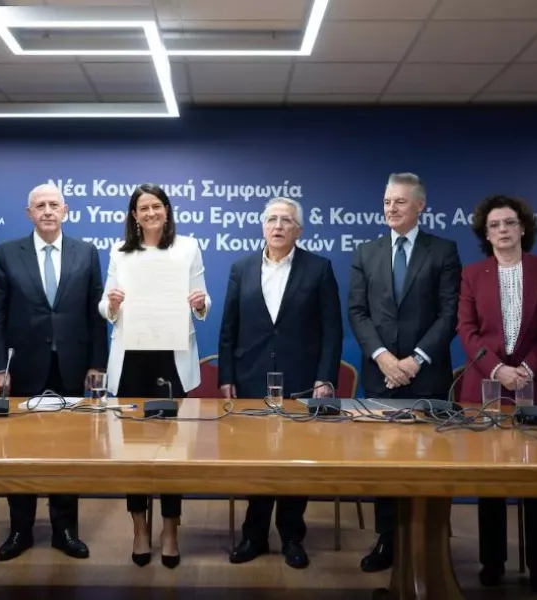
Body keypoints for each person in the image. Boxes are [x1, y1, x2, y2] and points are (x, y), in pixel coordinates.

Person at [219, 196, 342, 570]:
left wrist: (325, 377)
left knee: (294, 461)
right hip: (251, 377)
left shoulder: (318, 268)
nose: (278, 226)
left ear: (298, 230)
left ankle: (292, 537)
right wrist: (226, 376)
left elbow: (332, 330)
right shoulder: (241, 268)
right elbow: (229, 328)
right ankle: (253, 535)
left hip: (302, 379)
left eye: (286, 220)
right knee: (256, 460)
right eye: (271, 219)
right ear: (262, 226)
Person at [0, 183, 108, 562]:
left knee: (67, 452)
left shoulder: (86, 252)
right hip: (22, 368)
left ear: (66, 210)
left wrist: (97, 364)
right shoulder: (7, 253)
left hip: (71, 366)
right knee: (20, 452)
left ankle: (65, 530)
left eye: (54, 204)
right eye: (40, 205)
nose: (48, 211)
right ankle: (20, 530)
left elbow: (95, 313)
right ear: (29, 213)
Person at [347, 172, 461, 573]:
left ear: (420, 205)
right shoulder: (367, 252)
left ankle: (430, 540)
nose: (391, 208)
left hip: (426, 375)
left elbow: (450, 313)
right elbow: (357, 312)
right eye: (386, 201)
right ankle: (387, 539)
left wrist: (415, 359)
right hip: (380, 375)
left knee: (428, 463)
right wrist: (382, 357)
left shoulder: (443, 251)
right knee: (385, 464)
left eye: (399, 201)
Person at [458, 195, 537, 597]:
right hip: (487, 387)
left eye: (509, 223)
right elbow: (467, 330)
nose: (502, 230)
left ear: (523, 227)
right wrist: (497, 370)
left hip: (536, 384)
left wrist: (528, 368)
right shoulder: (473, 274)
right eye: (494, 225)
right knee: (491, 480)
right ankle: (492, 562)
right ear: (486, 235)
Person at [99, 183, 209, 569]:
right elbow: (106, 304)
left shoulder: (188, 247)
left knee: (173, 450)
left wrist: (200, 303)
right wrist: (112, 304)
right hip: (131, 358)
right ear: (134, 215)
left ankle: (171, 529)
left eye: (156, 206)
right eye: (143, 208)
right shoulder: (120, 251)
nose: (150, 213)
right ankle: (139, 528)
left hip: (171, 358)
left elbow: (202, 300)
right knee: (133, 452)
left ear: (167, 210)